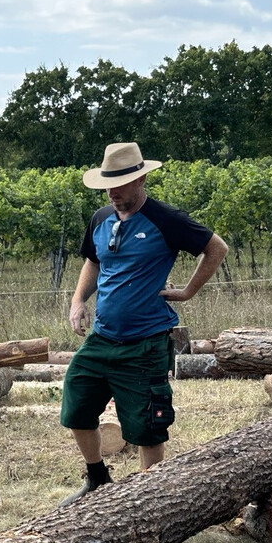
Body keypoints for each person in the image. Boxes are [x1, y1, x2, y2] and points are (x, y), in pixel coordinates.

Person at [59, 142, 228, 506]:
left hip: (146, 342)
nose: (114, 193)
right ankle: (98, 478)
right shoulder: (101, 218)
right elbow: (92, 260)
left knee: (147, 427)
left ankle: (147, 501)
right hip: (102, 337)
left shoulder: (166, 219)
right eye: (109, 186)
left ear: (142, 178)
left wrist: (187, 292)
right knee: (76, 404)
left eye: (121, 185)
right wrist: (78, 302)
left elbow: (217, 248)